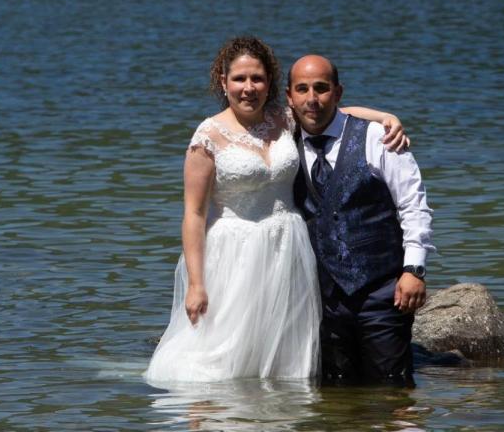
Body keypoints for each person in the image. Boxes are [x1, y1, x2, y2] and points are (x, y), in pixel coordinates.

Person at [144, 37, 408, 383]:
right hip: (234, 251)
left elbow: (340, 115)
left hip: (290, 246)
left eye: (257, 79)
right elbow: (193, 214)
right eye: (239, 79)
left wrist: (386, 117)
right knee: (227, 350)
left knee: (289, 351)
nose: (248, 88)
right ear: (223, 82)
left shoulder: (284, 118)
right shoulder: (207, 136)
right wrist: (196, 284)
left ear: (270, 83)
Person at [288, 54, 434, 387]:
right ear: (290, 97)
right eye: (303, 89)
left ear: (337, 93)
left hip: (382, 291)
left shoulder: (378, 139)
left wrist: (414, 270)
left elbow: (413, 206)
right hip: (321, 298)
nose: (312, 98)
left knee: (393, 389)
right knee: (336, 393)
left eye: (322, 88)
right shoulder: (284, 144)